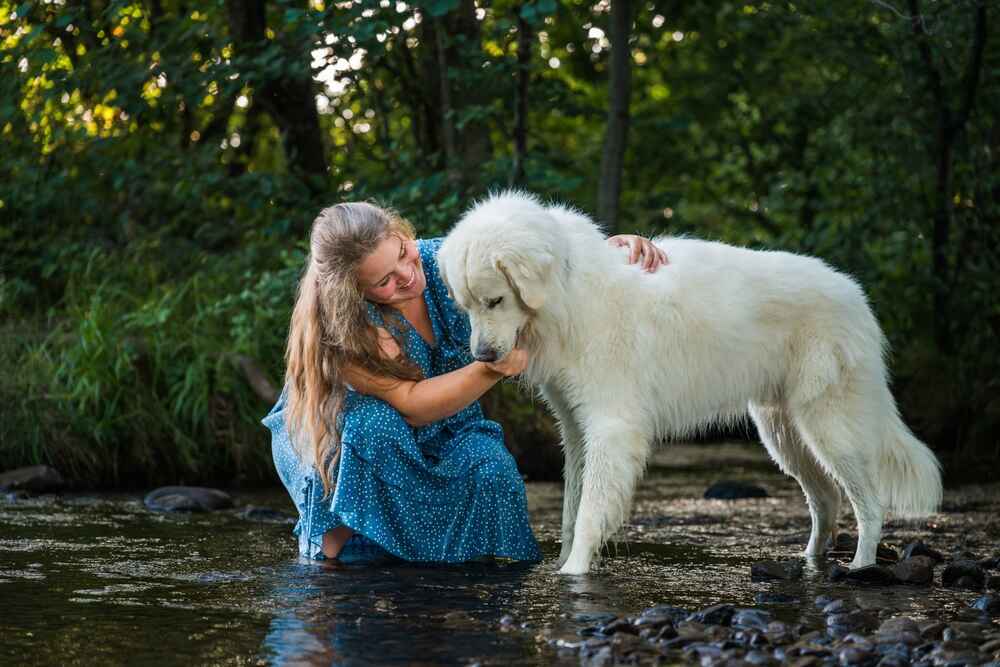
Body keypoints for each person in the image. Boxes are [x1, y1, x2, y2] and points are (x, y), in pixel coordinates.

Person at [262, 202, 667, 563]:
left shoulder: (449, 260)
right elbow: (413, 404)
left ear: (403, 234)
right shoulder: (343, 328)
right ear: (354, 293)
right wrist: (491, 369)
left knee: (493, 469)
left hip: (450, 422)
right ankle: (335, 563)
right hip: (346, 431)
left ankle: (463, 580)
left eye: (403, 252)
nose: (406, 275)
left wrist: (608, 251)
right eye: (384, 281)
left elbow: (536, 253)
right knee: (374, 430)